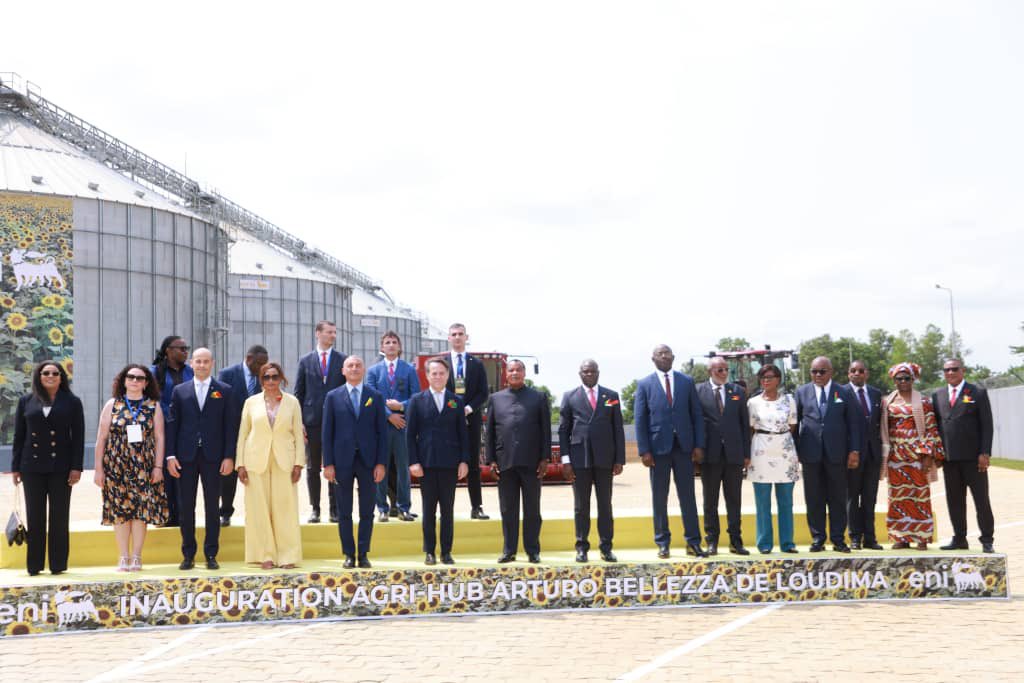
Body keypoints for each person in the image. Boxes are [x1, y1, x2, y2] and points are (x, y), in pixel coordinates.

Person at [11, 361, 85, 575]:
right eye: (46, 373)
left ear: (62, 377)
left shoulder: (72, 402)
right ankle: (34, 565)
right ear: (39, 376)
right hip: (31, 466)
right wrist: (15, 468)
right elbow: (19, 436)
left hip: (61, 467)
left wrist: (76, 467)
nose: (50, 376)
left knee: (59, 517)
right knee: (35, 516)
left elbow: (78, 437)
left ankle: (58, 564)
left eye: (55, 373)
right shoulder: (26, 401)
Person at [166, 348, 237, 570]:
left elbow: (230, 427)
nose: (202, 365)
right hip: (185, 457)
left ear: (212, 363)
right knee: (186, 507)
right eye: (198, 361)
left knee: (212, 507)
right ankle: (188, 554)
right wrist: (170, 455)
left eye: (206, 361)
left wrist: (229, 456)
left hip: (213, 457)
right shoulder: (180, 391)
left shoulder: (224, 390)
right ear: (192, 363)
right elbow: (172, 425)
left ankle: (211, 553)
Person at [634, 344, 707, 558]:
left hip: (684, 448)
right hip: (657, 450)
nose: (664, 356)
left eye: (667, 353)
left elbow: (696, 415)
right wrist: (644, 450)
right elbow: (640, 419)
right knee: (660, 498)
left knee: (688, 497)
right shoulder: (644, 384)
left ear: (673, 357)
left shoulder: (686, 381)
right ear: (653, 358)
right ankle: (662, 542)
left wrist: (698, 445)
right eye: (660, 353)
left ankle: (693, 542)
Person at [93, 365, 168, 571]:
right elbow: (101, 438)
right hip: (116, 465)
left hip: (144, 466)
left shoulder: (154, 406)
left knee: (140, 511)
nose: (135, 381)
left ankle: (136, 555)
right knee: (120, 511)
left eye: (140, 378)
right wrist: (98, 469)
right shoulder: (112, 405)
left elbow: (160, 437)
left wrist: (158, 467)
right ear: (123, 380)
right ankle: (123, 556)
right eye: (131, 377)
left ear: (146, 383)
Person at [236, 362, 305, 569]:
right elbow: (243, 434)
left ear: (281, 378)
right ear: (261, 380)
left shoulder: (292, 402)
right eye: (267, 377)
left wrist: (299, 463)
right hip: (256, 460)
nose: (271, 381)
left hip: (284, 460)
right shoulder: (251, 402)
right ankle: (264, 554)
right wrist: (240, 464)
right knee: (259, 509)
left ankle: (287, 555)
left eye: (275, 377)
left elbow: (298, 436)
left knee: (285, 509)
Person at [322, 356, 388, 568]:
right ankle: (349, 554)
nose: (354, 368)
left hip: (368, 461)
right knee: (344, 510)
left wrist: (381, 463)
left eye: (358, 365)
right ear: (343, 370)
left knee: (367, 510)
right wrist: (328, 463)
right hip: (341, 461)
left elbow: (382, 433)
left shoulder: (375, 396)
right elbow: (327, 433)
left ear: (364, 369)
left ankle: (364, 553)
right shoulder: (333, 397)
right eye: (350, 365)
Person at [557, 359, 625, 563]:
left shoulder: (611, 396)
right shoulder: (570, 397)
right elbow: (563, 431)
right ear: (580, 374)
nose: (589, 374)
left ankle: (606, 547)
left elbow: (617, 428)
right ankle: (581, 547)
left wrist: (619, 459)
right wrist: (566, 461)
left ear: (598, 373)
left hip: (605, 458)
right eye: (585, 371)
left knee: (605, 505)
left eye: (592, 371)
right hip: (579, 459)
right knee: (581, 506)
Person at [485, 359, 551, 563]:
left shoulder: (538, 397)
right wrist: (491, 460)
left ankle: (532, 550)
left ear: (524, 373)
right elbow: (490, 433)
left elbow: (545, 430)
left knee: (532, 509)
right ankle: (509, 550)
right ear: (506, 374)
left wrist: (545, 458)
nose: (514, 373)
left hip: (532, 462)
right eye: (511, 370)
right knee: (508, 509)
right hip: (505, 463)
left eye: (518, 370)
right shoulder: (495, 399)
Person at [795, 356, 863, 552]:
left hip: (837, 454)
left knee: (837, 499)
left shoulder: (843, 392)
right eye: (814, 371)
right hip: (810, 454)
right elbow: (795, 422)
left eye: (821, 371)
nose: (817, 375)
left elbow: (853, 424)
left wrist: (854, 450)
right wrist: (797, 450)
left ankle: (838, 539)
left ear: (831, 372)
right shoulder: (802, 392)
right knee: (814, 498)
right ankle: (817, 538)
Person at [406, 358, 470, 565]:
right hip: (426, 463)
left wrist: (464, 461)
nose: (438, 377)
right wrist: (413, 461)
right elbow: (410, 435)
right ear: (427, 376)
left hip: (450, 464)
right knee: (428, 510)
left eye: (442, 373)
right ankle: (430, 551)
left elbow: (463, 434)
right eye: (434, 373)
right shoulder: (417, 400)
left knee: (448, 510)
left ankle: (446, 551)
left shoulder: (456, 401)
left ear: (447, 375)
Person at [880, 362, 945, 550]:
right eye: (899, 378)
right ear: (894, 381)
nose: (903, 381)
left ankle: (922, 537)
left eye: (907, 378)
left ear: (913, 379)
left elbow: (931, 429)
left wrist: (927, 455)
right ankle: (900, 537)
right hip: (895, 458)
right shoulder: (887, 402)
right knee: (897, 497)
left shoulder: (923, 402)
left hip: (917, 458)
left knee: (920, 496)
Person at [932, 358, 995, 553]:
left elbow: (987, 425)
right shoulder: (938, 395)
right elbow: (936, 427)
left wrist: (985, 452)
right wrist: (936, 454)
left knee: (981, 500)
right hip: (950, 459)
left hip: (973, 458)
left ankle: (987, 540)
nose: (950, 372)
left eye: (954, 369)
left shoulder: (977, 392)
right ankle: (959, 538)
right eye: (946, 370)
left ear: (962, 370)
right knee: (955, 501)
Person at [697, 357, 751, 555]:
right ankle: (712, 541)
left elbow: (744, 425)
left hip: (733, 456)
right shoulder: (698, 391)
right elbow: (696, 422)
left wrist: (746, 453)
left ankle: (735, 541)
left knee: (734, 500)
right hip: (709, 455)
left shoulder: (736, 392)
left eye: (725, 369)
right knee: (710, 501)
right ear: (710, 371)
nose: (723, 373)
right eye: (719, 369)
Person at [294, 320, 346, 523]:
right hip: (312, 422)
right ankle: (315, 508)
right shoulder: (305, 360)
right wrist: (299, 422)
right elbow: (299, 392)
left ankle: (334, 509)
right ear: (318, 333)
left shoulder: (342, 360)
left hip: (336, 422)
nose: (333, 335)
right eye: (329, 332)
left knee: (334, 466)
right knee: (313, 467)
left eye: (335, 332)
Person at [365, 331, 419, 523]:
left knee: (403, 468)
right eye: (387, 342)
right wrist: (389, 415)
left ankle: (404, 507)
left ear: (399, 347)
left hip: (403, 426)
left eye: (394, 342)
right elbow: (370, 398)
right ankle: (382, 508)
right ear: (382, 347)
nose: (390, 345)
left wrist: (401, 407)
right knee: (381, 467)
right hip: (380, 427)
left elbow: (416, 397)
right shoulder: (373, 371)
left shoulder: (409, 370)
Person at [746, 365, 800, 554]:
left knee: (785, 501)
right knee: (762, 502)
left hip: (784, 452)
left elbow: (792, 425)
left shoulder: (789, 401)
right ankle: (764, 544)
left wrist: (778, 438)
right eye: (762, 377)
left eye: (770, 377)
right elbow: (750, 428)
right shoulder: (752, 402)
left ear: (778, 379)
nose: (765, 380)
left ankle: (787, 543)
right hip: (760, 453)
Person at [217, 344, 269, 527]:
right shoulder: (227, 374)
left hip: (255, 434)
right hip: (232, 431)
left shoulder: (264, 376)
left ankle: (256, 513)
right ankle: (225, 512)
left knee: (255, 474)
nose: (263, 367)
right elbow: (220, 403)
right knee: (228, 475)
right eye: (260, 363)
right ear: (249, 359)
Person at [446, 323, 490, 519]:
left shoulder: (476, 364)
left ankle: (476, 506)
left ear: (466, 337)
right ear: (449, 338)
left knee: (472, 465)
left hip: (471, 420)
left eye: (460, 334)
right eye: (454, 334)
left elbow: (483, 393)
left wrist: (468, 408)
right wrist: (454, 410)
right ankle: (447, 509)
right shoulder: (442, 363)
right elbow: (438, 390)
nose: (457, 337)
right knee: (447, 465)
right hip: (447, 421)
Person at [151, 335, 193, 527]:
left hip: (186, 430)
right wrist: (169, 415)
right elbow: (152, 400)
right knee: (164, 474)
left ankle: (183, 516)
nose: (185, 352)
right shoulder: (154, 372)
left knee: (183, 472)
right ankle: (165, 515)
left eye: (186, 349)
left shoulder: (190, 372)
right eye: (181, 348)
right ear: (168, 350)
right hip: (162, 428)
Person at [844, 360, 884, 550]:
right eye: (853, 371)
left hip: (873, 454)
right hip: (853, 454)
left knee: (870, 497)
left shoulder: (876, 394)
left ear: (866, 374)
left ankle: (870, 537)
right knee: (852, 497)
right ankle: (854, 537)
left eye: (861, 371)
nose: (857, 374)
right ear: (848, 374)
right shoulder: (842, 393)